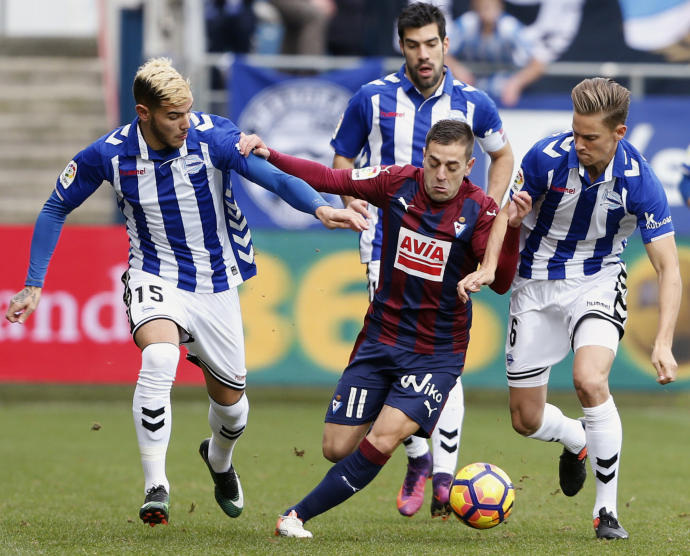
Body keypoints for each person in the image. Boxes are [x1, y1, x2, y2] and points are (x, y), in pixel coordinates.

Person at [4, 58, 367, 527]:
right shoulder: (109, 154)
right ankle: (157, 485)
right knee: (159, 358)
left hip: (215, 284)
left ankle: (218, 459)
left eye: (188, 111)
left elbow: (271, 177)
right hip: (153, 276)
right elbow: (56, 206)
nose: (185, 122)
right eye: (174, 115)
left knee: (234, 412)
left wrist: (319, 208)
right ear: (144, 112)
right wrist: (35, 283)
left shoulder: (213, 136)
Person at [242, 119, 531, 538]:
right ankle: (414, 445)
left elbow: (502, 282)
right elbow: (330, 176)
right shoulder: (398, 183)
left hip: (436, 352)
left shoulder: (481, 210)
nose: (441, 175)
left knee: (384, 434)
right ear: (424, 159)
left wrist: (515, 229)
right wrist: (273, 155)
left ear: (470, 165)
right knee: (335, 448)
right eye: (433, 163)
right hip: (381, 337)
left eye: (452, 166)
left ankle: (296, 515)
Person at [458, 77, 681, 540]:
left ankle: (606, 512)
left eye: (590, 137)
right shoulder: (545, 157)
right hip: (535, 286)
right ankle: (576, 438)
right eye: (575, 132)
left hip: (596, 282)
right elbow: (505, 214)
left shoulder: (641, 181)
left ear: (618, 134)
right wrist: (487, 267)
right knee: (525, 419)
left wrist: (662, 342)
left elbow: (669, 268)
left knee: (589, 380)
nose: (578, 143)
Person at [330, 1, 514, 519]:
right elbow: (342, 158)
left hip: (453, 247)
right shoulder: (371, 98)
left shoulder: (475, 103)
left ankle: (442, 475)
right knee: (399, 358)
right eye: (413, 45)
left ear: (446, 44)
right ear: (402, 47)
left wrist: (491, 213)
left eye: (431, 43)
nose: (423, 54)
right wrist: (353, 203)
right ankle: (417, 455)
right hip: (388, 251)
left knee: (440, 364)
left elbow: (504, 155)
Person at [448, 0, 546, 106]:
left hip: (503, 96)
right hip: (470, 95)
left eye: (491, 5)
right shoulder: (466, 24)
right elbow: (441, 53)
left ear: (500, 6)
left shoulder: (509, 27)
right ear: (475, 7)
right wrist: (457, 70)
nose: (488, 9)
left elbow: (538, 64)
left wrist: (516, 83)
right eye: (483, 6)